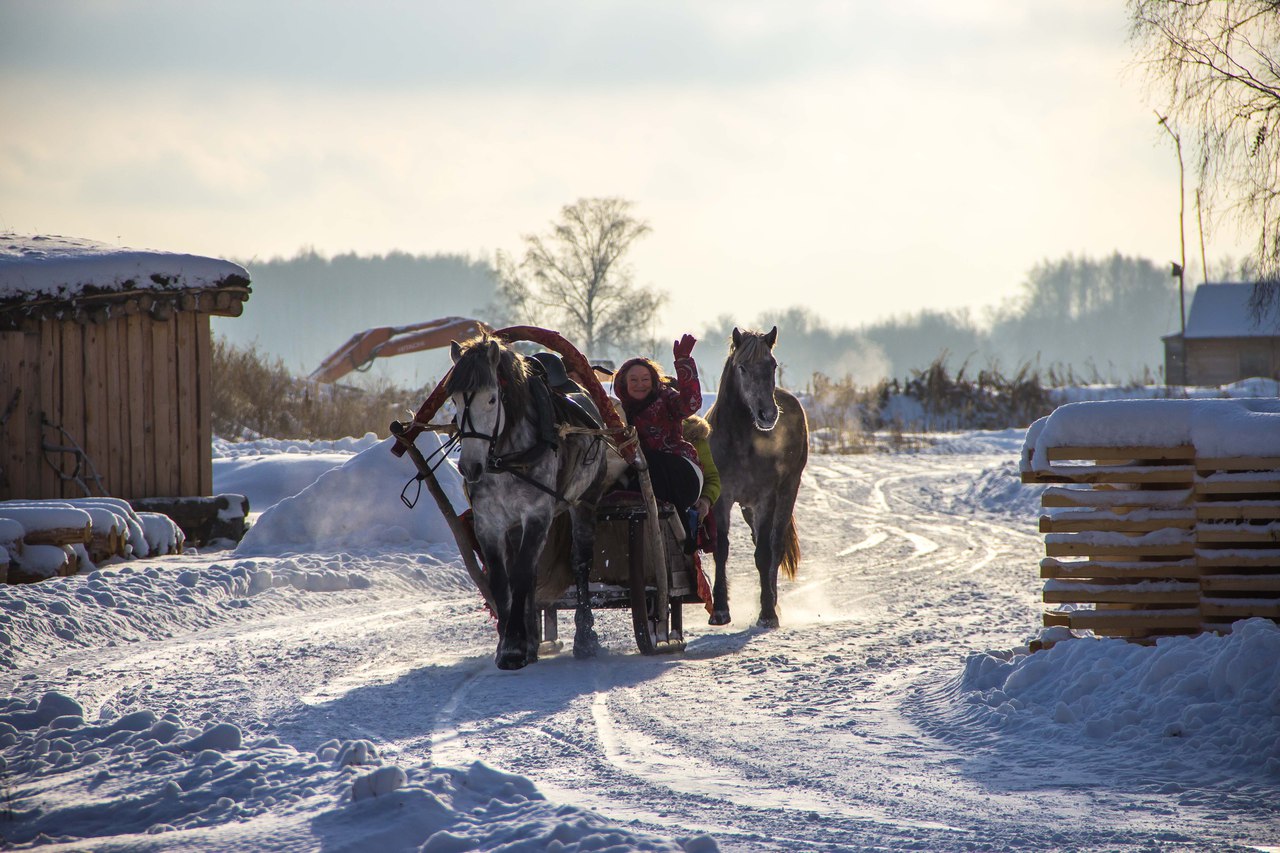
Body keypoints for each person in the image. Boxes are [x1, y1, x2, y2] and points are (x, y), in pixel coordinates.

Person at [612, 334, 704, 523]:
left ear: (654, 381)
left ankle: (684, 525)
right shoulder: (617, 411)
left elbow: (691, 404)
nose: (640, 385)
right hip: (642, 476)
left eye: (645, 379)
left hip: (680, 472)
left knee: (649, 459)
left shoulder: (666, 399)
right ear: (624, 383)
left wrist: (683, 362)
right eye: (634, 380)